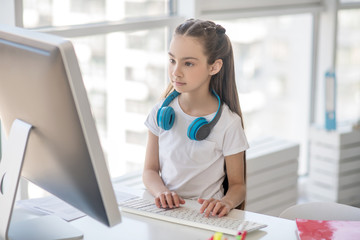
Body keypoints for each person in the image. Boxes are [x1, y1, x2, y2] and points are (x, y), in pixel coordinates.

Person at [143, 18, 248, 218]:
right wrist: (162, 192)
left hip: (205, 217)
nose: (176, 72)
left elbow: (238, 186)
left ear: (214, 67)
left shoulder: (229, 123)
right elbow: (149, 171)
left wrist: (225, 202)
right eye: (172, 60)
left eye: (188, 63)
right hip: (166, 213)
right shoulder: (160, 112)